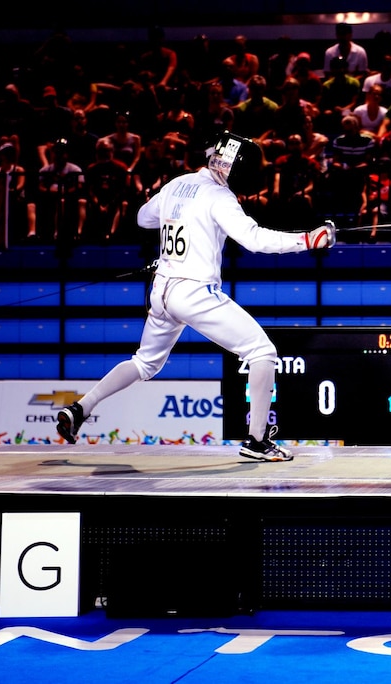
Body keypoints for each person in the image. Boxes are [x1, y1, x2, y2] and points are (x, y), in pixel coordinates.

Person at [56, 131, 336, 461]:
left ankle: (80, 407)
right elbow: (255, 240)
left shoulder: (177, 184)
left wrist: (172, 212)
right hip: (193, 291)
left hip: (161, 290)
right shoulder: (219, 197)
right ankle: (257, 441)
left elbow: (142, 218)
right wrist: (308, 240)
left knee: (144, 362)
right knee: (262, 352)